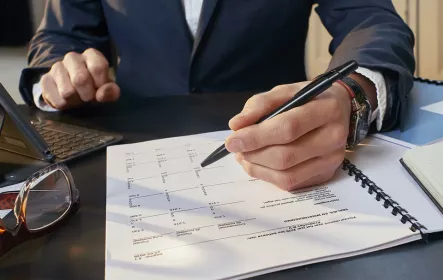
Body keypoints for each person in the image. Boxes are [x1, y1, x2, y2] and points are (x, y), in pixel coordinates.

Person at [20, 0, 415, 191]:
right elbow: (58, 37)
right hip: (121, 161)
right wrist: (59, 78)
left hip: (279, 148)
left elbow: (372, 20)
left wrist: (350, 93)